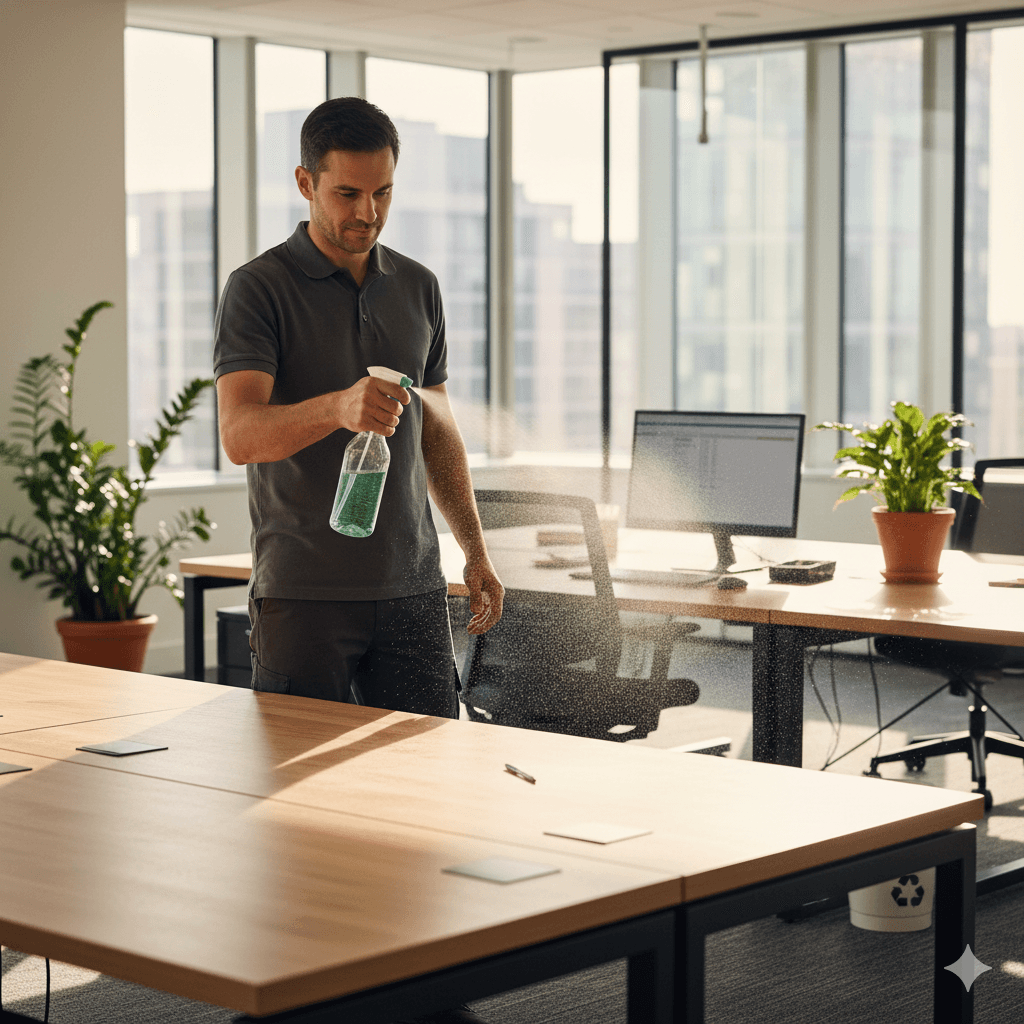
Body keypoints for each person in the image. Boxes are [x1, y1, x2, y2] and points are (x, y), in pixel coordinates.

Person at [214, 96, 502, 1024]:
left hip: (412, 588)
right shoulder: (258, 288)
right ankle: (302, 998)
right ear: (305, 183)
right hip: (303, 594)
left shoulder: (417, 286)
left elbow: (438, 431)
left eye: (381, 193)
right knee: (301, 818)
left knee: (422, 812)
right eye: (346, 193)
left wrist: (473, 548)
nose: (365, 213)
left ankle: (428, 995)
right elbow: (241, 433)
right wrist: (336, 409)